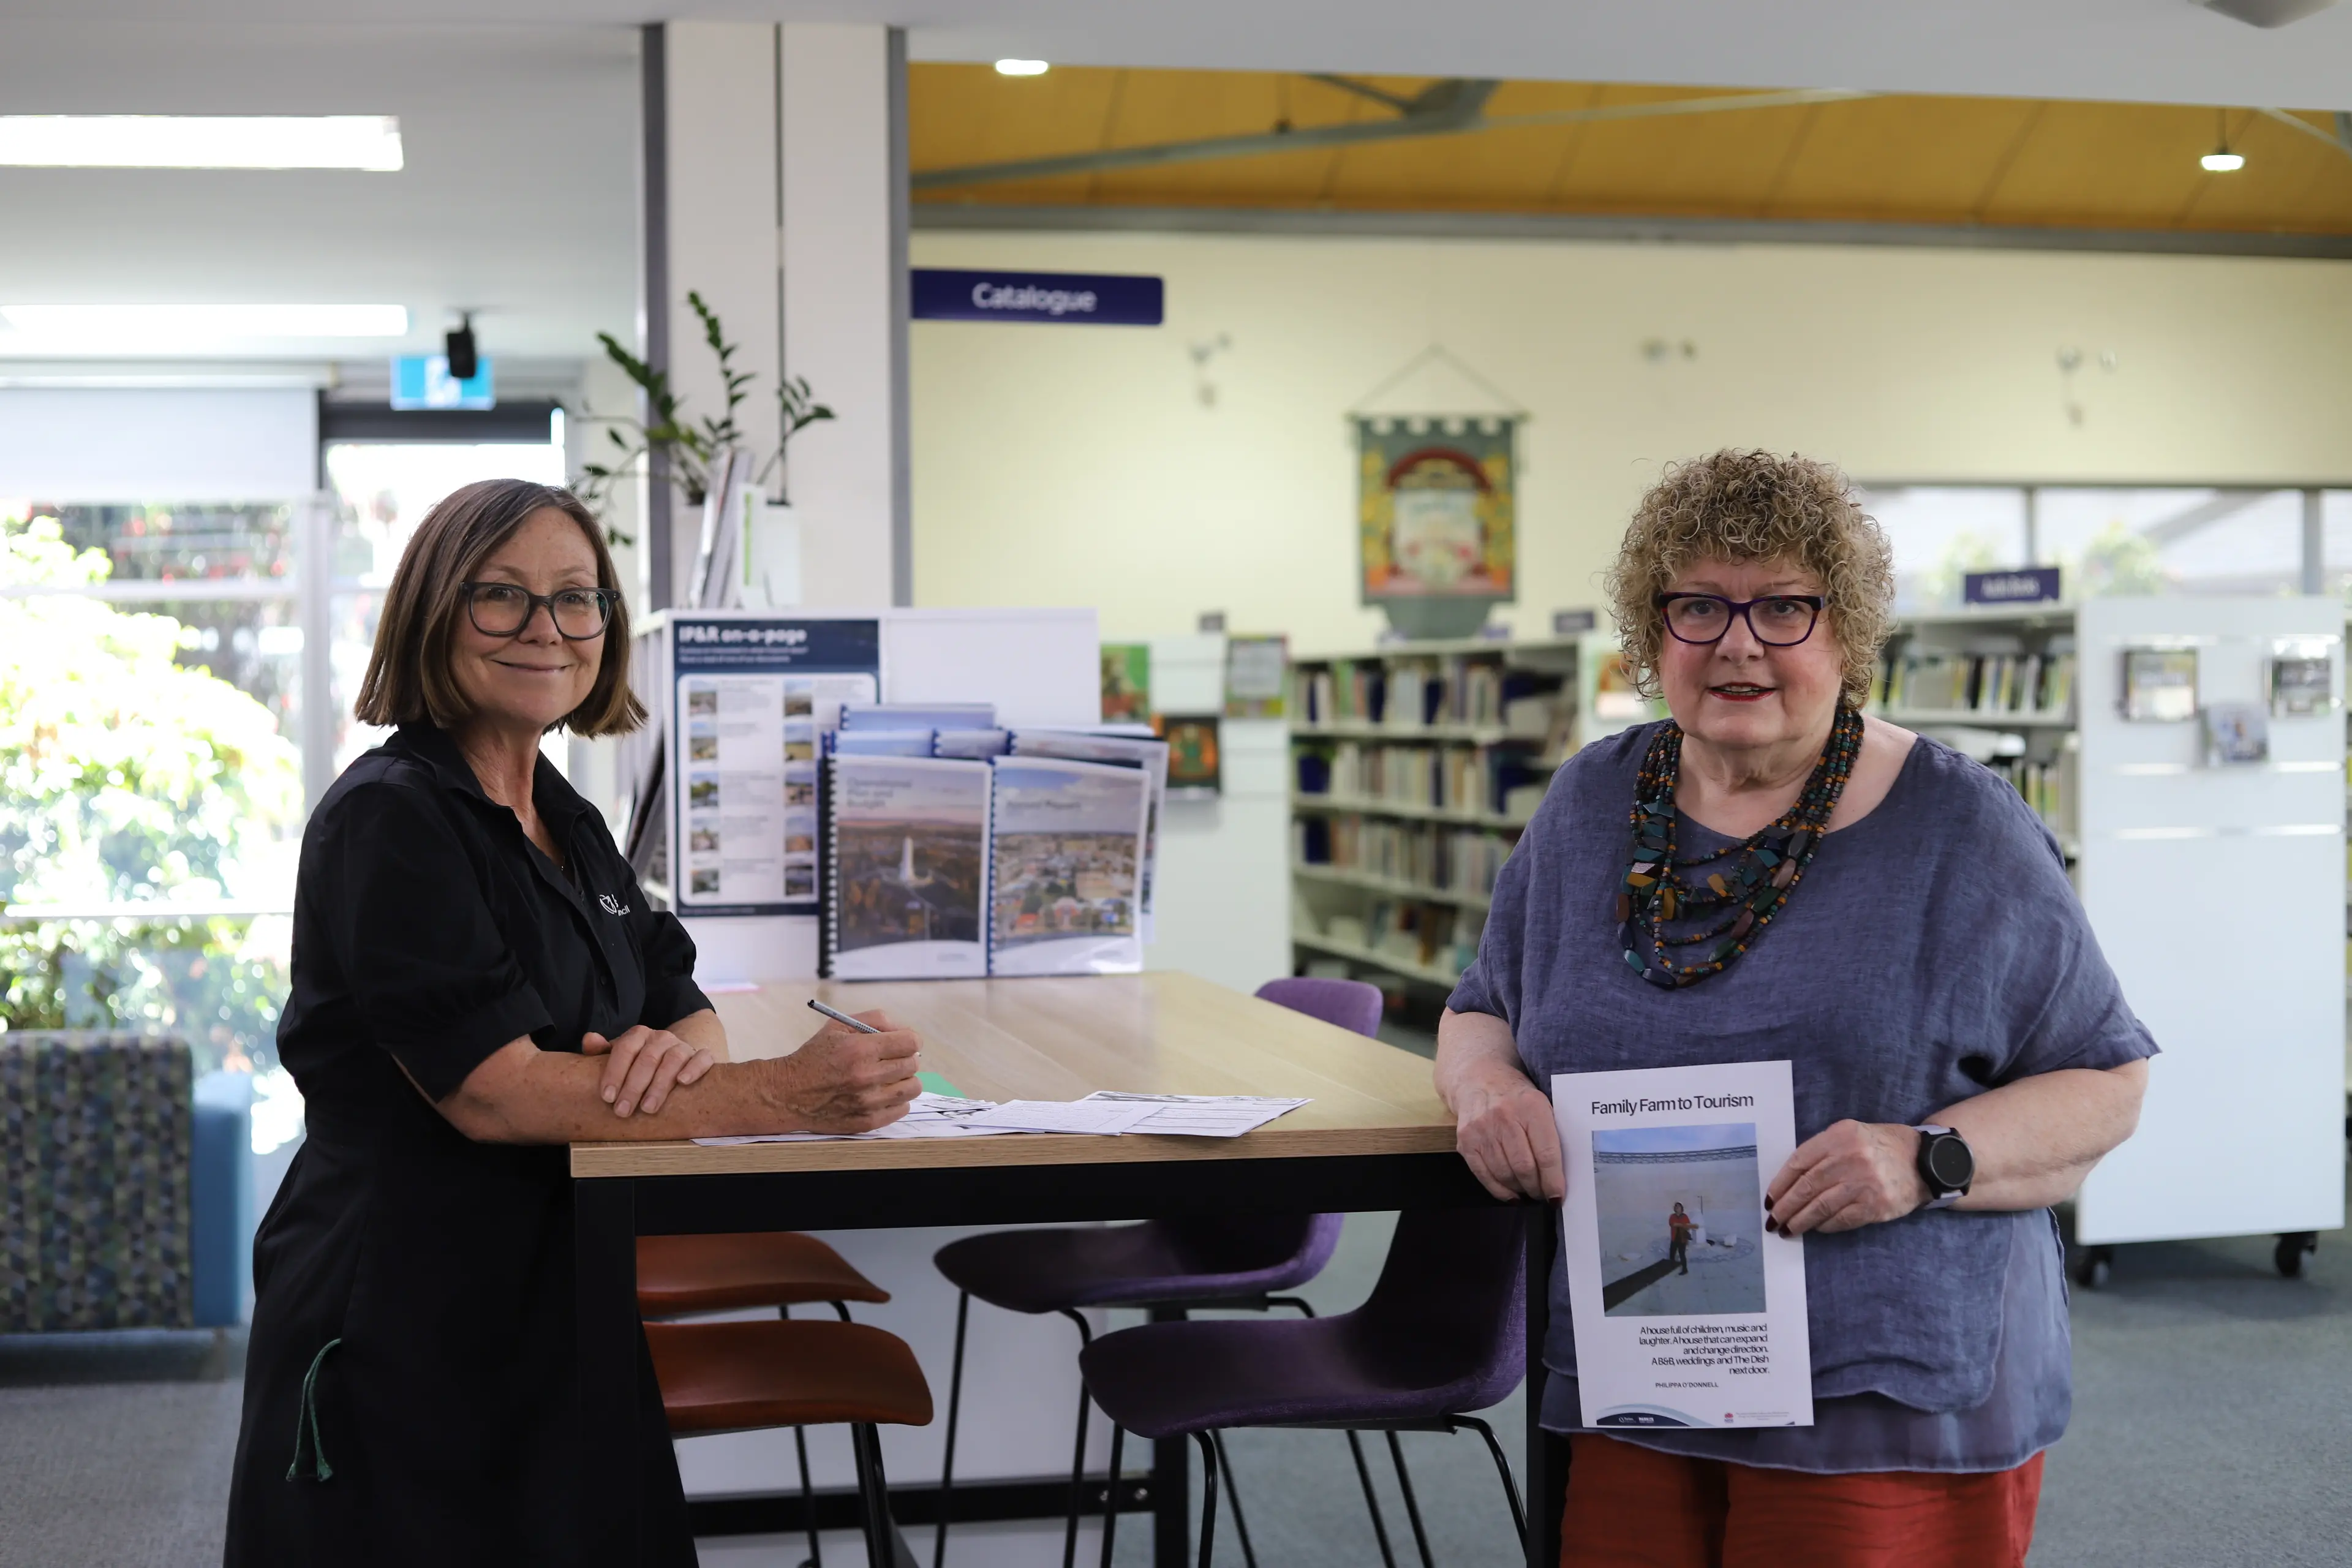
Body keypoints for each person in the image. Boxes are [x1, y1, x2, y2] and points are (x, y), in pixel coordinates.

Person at [1433, 451, 2154, 1568]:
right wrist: (1484, 1083)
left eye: (1783, 607)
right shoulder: (1588, 806)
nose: (1737, 643)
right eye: (1698, 607)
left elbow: (2106, 1081)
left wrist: (1926, 1159)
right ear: (1650, 631)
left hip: (1882, 1392)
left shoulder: (1963, 830)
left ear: (1846, 635)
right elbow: (1482, 1006)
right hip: (1648, 1370)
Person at [224, 480, 925, 1566]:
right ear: (433, 614)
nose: (546, 628)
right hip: (405, 1315)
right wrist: (790, 1095)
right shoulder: (392, 818)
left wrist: (660, 1058)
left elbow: (685, 1011)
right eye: (500, 597)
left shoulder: (564, 814)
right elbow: (495, 1091)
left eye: (576, 598)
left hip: (562, 1291)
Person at [1668, 1202, 1695, 1275]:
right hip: (1674, 1238)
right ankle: (1672, 1266)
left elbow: (1688, 1226)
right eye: (1676, 1206)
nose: (1677, 1207)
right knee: (1672, 1254)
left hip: (1682, 1239)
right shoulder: (1672, 1216)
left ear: (1681, 1208)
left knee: (1682, 1254)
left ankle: (1685, 1269)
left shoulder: (1685, 1217)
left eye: (1679, 1206)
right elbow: (1672, 1224)